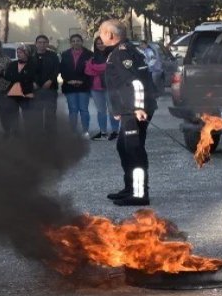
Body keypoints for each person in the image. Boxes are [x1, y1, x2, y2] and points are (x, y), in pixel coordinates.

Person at [100, 19, 157, 206]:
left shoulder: (122, 54)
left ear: (110, 35)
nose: (99, 37)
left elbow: (136, 83)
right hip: (126, 111)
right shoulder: (123, 51)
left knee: (134, 150)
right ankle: (130, 188)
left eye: (101, 32)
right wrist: (118, 109)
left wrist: (138, 107)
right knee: (123, 147)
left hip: (134, 111)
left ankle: (140, 193)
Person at [59, 33, 93, 136]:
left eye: (78, 40)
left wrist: (81, 80)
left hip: (84, 85)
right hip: (69, 86)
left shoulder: (89, 54)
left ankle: (85, 131)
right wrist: (69, 80)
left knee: (83, 109)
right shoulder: (64, 54)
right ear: (70, 43)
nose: (76, 43)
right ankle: (73, 131)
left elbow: (91, 70)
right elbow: (62, 70)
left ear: (82, 42)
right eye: (73, 41)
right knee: (73, 110)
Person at [87, 37, 118, 140]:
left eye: (102, 43)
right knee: (101, 111)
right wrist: (105, 67)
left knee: (112, 110)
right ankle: (103, 132)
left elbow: (114, 69)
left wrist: (96, 68)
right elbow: (88, 71)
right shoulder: (92, 57)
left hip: (110, 87)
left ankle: (115, 131)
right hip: (96, 88)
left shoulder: (113, 55)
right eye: (98, 43)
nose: (100, 45)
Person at [3, 44, 37, 136]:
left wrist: (18, 78)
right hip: (13, 93)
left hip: (27, 93)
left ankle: (29, 133)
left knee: (27, 115)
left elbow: (31, 77)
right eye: (17, 52)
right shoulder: (12, 64)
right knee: (13, 114)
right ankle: (15, 132)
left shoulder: (33, 65)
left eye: (21, 52)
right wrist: (21, 78)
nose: (18, 54)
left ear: (27, 53)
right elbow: (7, 77)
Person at [32, 34, 61, 135]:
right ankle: (39, 134)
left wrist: (50, 81)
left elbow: (57, 69)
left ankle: (51, 134)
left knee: (50, 113)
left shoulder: (53, 56)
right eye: (40, 42)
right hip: (35, 89)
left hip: (50, 88)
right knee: (37, 113)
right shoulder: (31, 56)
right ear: (36, 44)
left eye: (44, 42)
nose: (42, 45)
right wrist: (33, 82)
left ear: (47, 44)